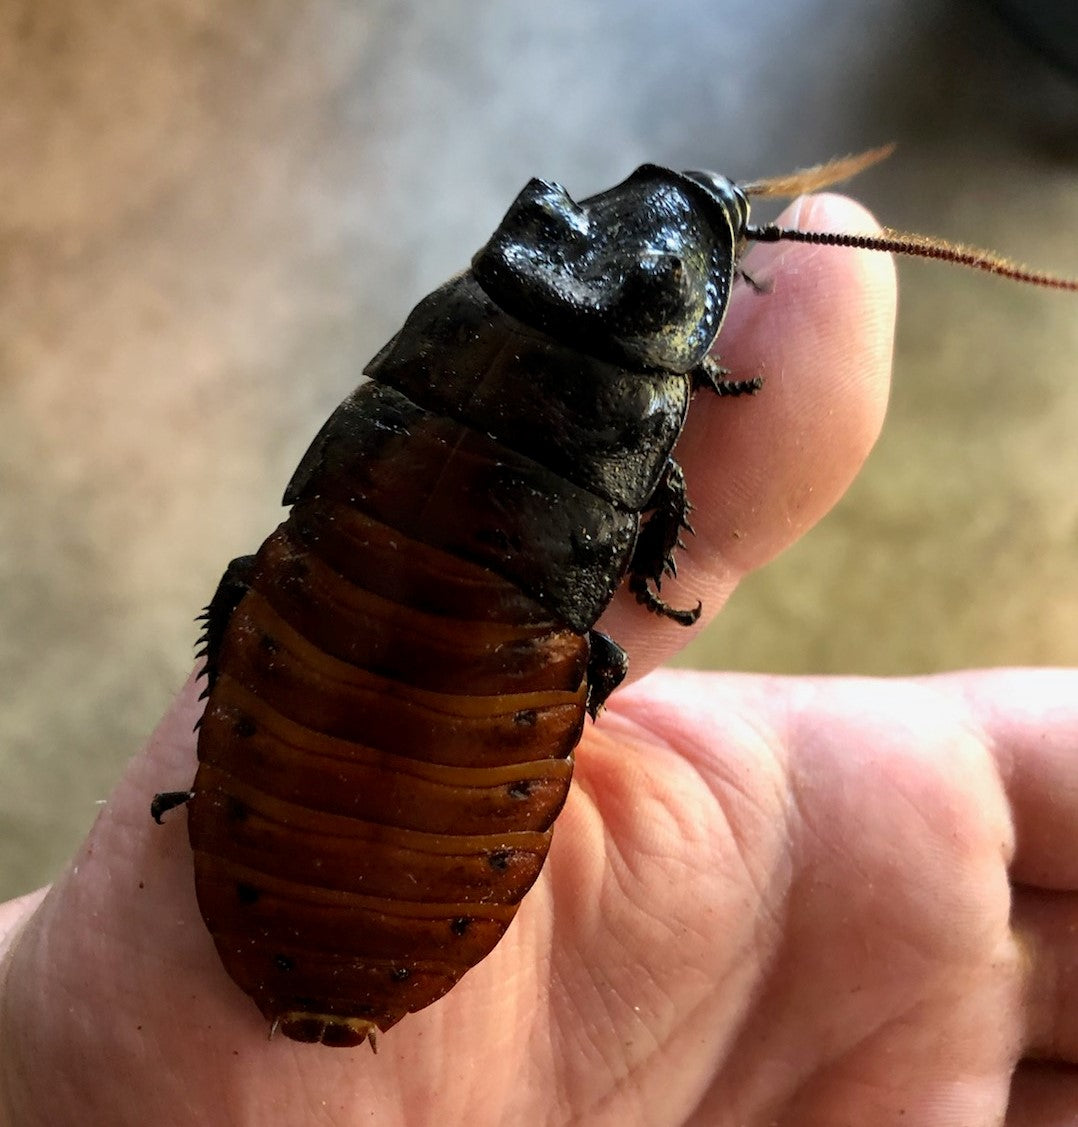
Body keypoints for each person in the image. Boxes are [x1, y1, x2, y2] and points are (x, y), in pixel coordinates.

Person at [1, 195, 1074, 1126]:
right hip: (444, 733)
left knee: (268, 580)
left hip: (343, 679)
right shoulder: (648, 466)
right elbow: (660, 503)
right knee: (552, 641)